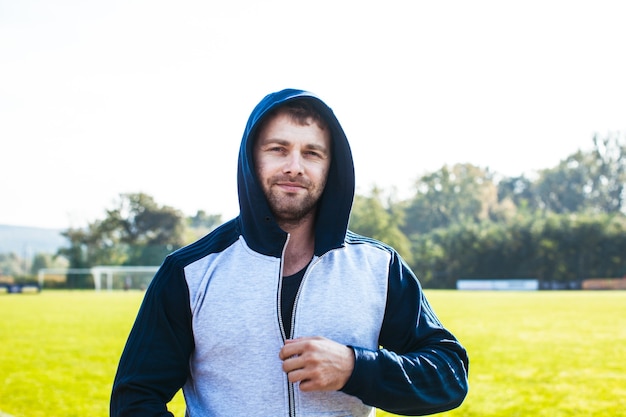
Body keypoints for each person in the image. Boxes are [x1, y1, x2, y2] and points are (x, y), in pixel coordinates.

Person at [110, 88, 469, 417]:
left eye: (311, 153)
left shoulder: (378, 267)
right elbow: (134, 398)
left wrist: (355, 368)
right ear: (252, 159)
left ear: (331, 168)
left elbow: (448, 375)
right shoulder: (189, 272)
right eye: (278, 149)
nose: (294, 166)